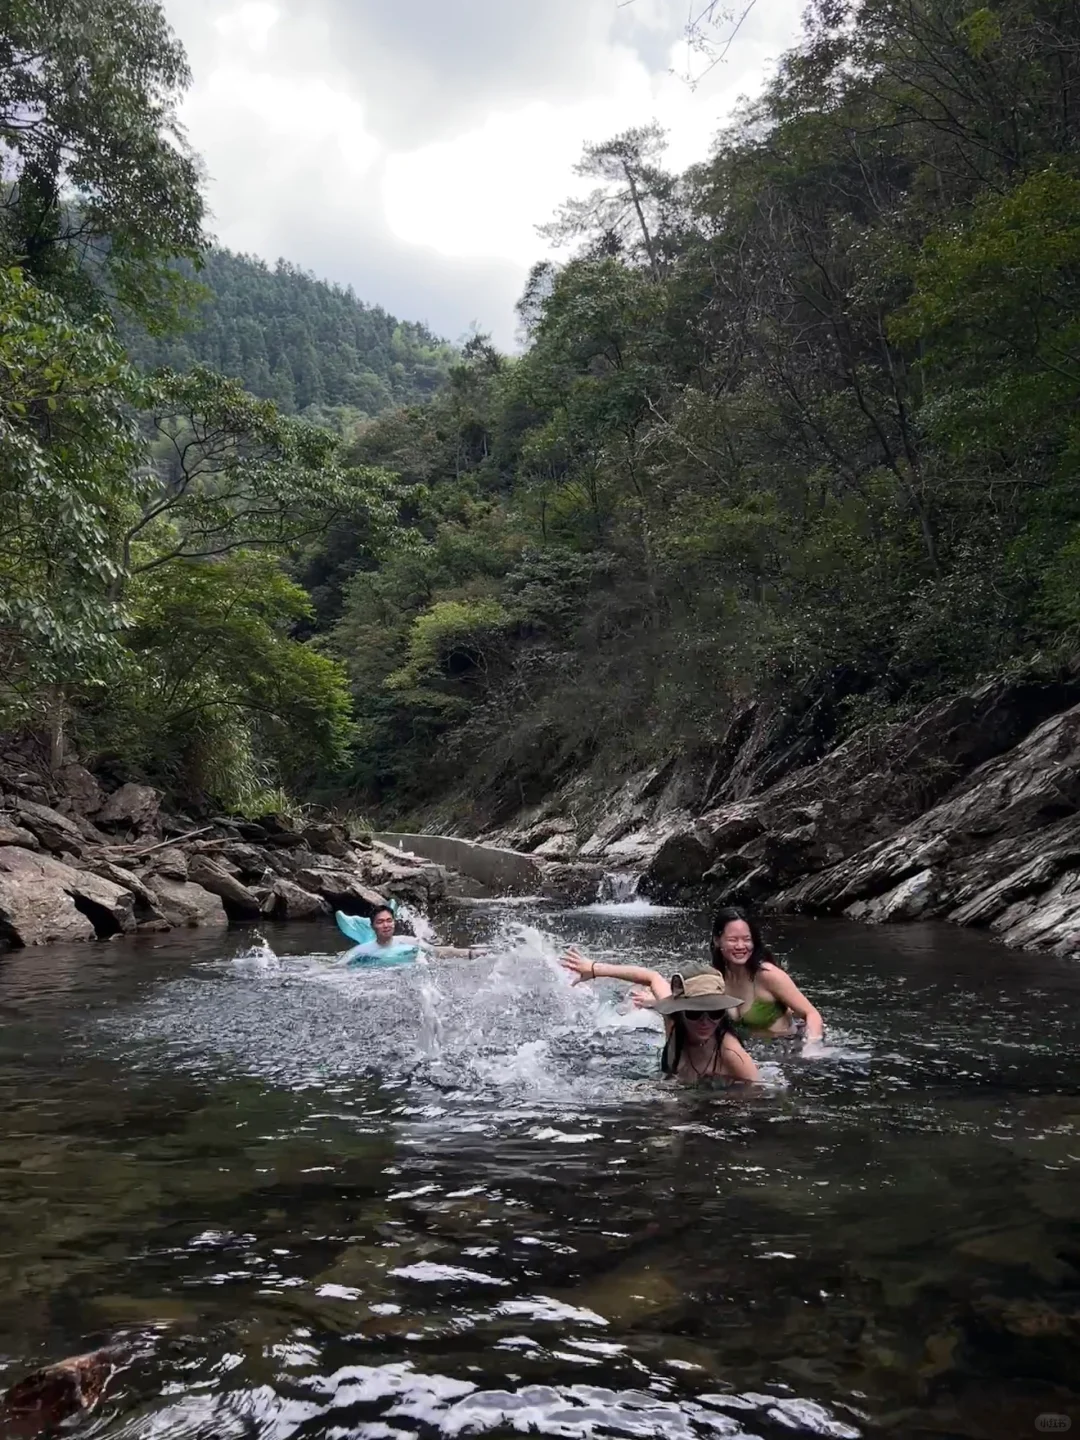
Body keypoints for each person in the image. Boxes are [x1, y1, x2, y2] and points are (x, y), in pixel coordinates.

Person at [561, 952, 759, 1083]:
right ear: (680, 1011)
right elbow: (652, 977)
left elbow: (758, 1093)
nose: (705, 1022)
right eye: (695, 1013)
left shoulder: (731, 1053)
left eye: (715, 1012)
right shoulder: (673, 1020)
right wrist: (594, 969)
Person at [707, 906, 824, 1044]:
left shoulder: (768, 975)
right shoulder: (714, 978)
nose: (740, 946)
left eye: (746, 939)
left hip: (788, 1051)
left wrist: (811, 1048)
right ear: (717, 940)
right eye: (733, 940)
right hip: (751, 1053)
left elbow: (812, 1014)